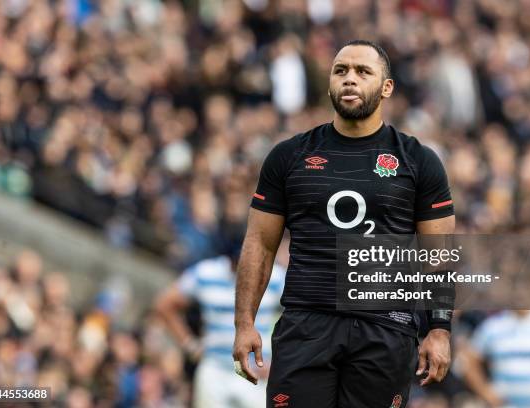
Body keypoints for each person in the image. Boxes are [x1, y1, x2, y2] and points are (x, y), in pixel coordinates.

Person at [233, 39, 455, 408]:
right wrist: (244, 324)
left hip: (385, 328)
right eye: (341, 71)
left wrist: (439, 329)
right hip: (306, 325)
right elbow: (260, 242)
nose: (349, 79)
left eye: (362, 71)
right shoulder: (289, 156)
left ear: (386, 88)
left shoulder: (419, 161)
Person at [156, 235, 286, 408]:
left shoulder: (274, 276)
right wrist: (190, 345)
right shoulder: (206, 273)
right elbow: (165, 304)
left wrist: (280, 361)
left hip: (256, 373)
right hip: (215, 369)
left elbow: (302, 314)